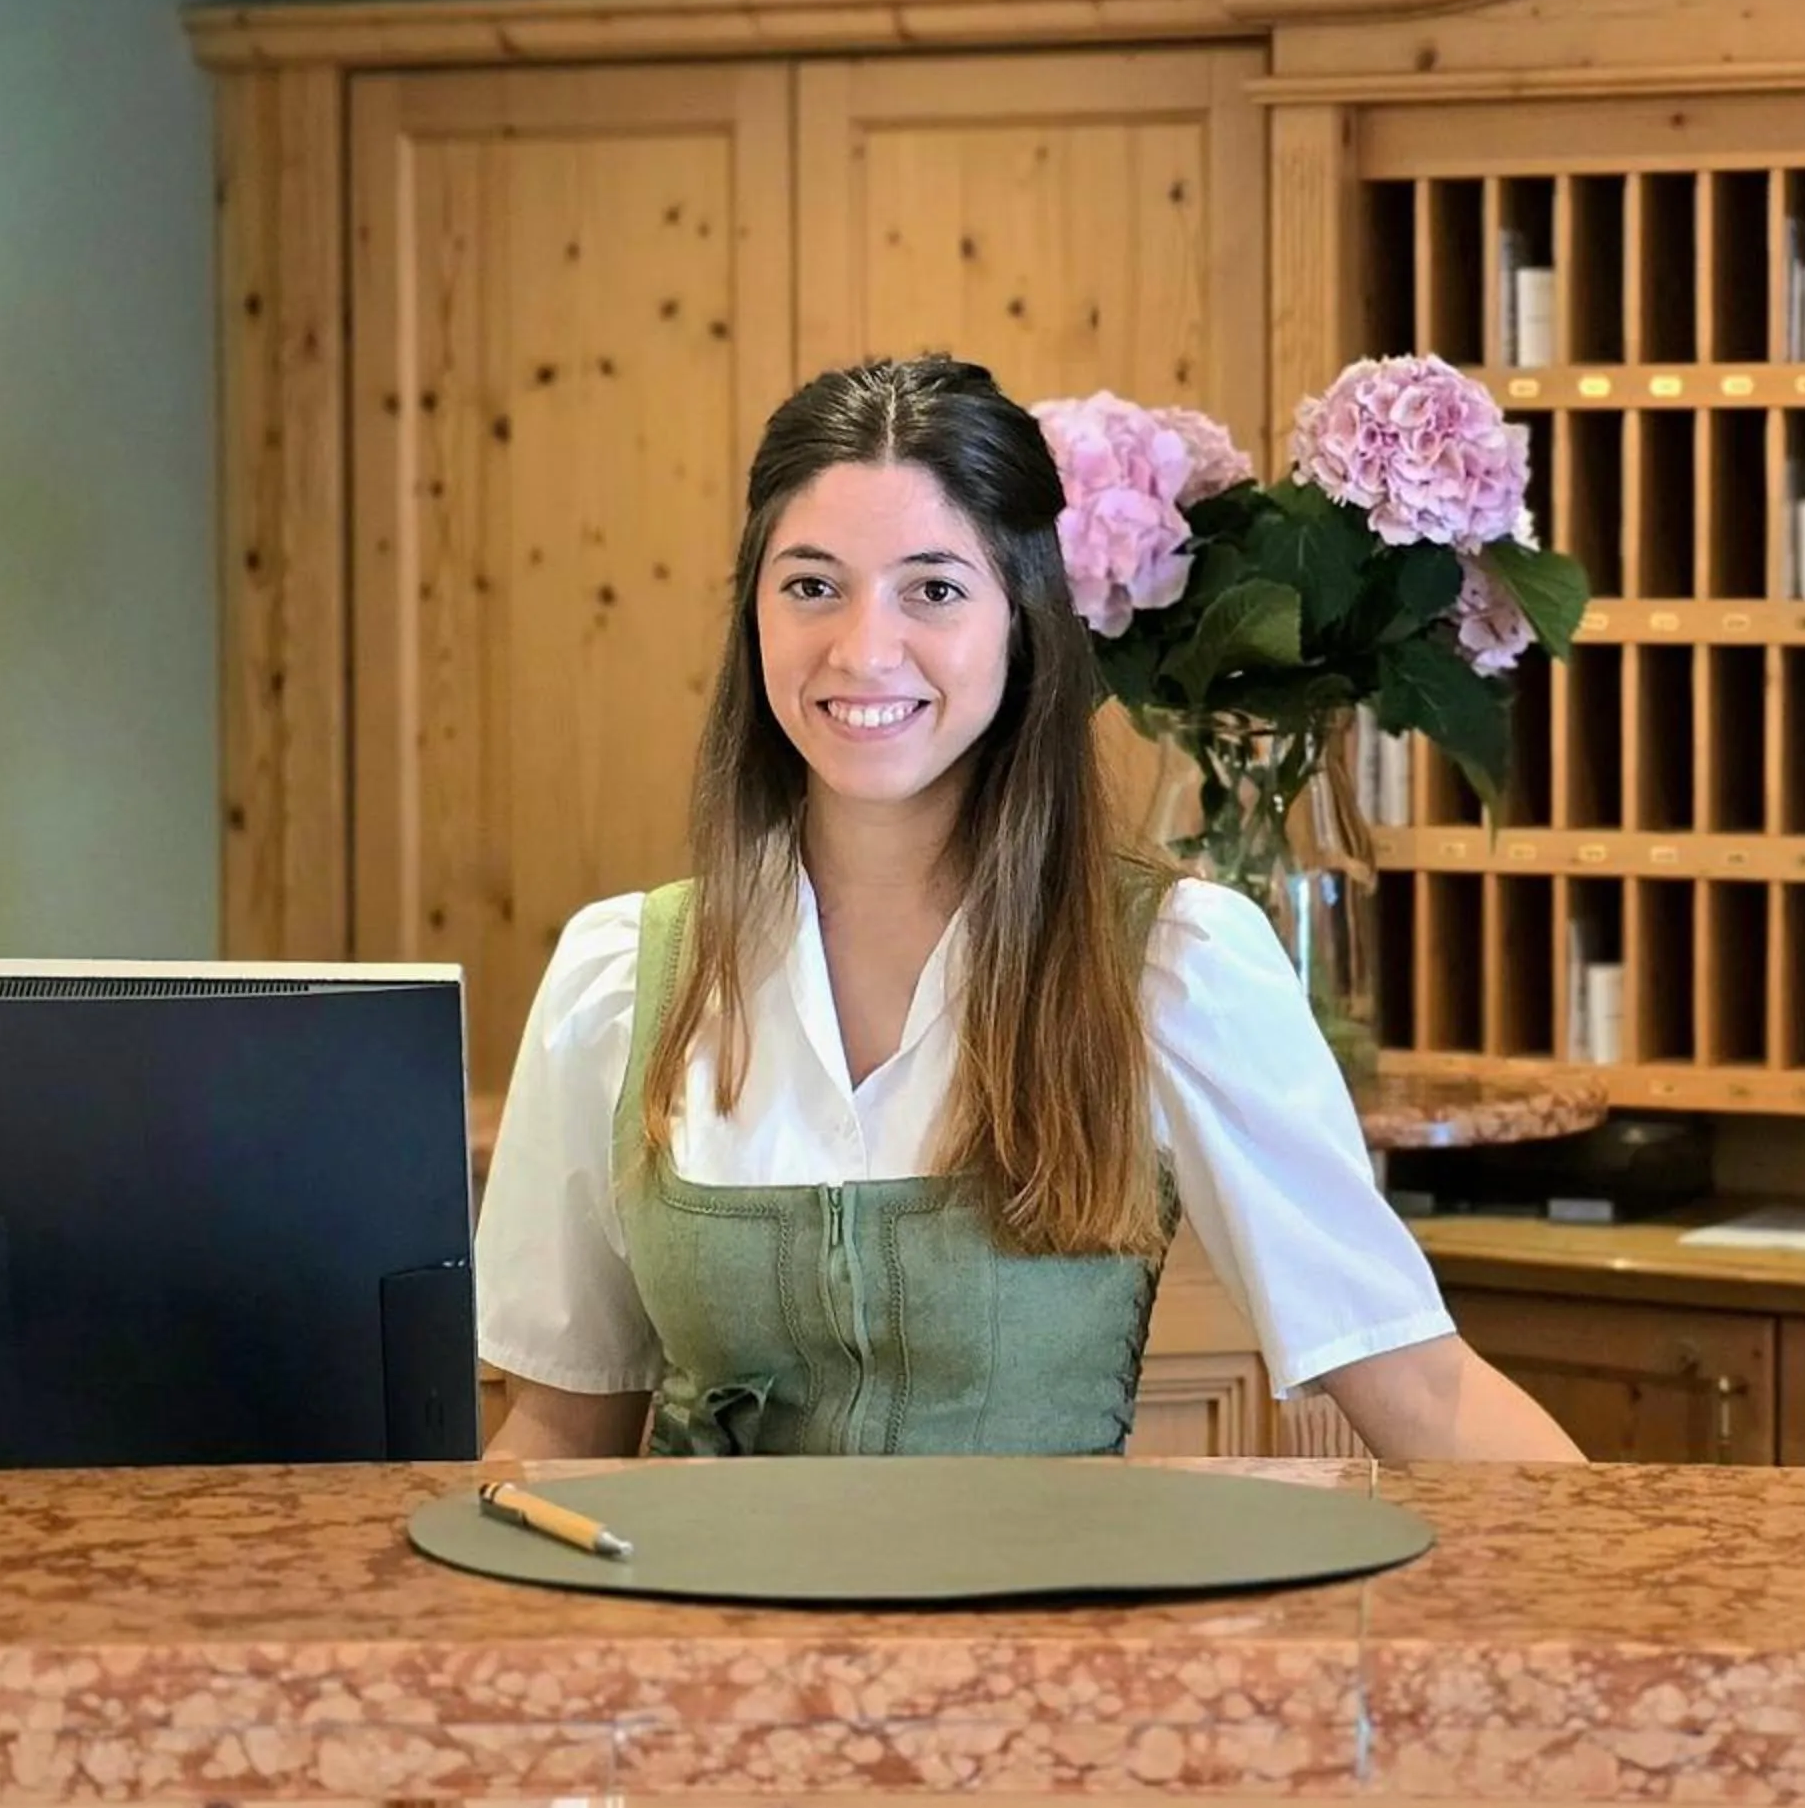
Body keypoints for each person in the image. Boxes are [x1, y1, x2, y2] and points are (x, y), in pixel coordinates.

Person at [475, 353, 1586, 1463]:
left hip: (1038, 1631)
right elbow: (561, 1423)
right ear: (753, 616)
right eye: (811, 585)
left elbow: (1422, 1391)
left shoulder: (1170, 965)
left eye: (935, 588)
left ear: (1024, 622)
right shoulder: (621, 973)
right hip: (693, 1629)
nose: (863, 650)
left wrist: (1642, 1589)